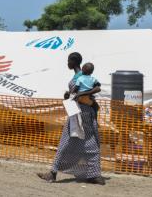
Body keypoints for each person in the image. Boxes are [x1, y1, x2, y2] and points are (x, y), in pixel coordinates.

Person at [37, 52, 105, 185]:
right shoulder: (87, 77)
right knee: (91, 142)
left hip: (78, 112)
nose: (67, 63)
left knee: (66, 142)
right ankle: (95, 175)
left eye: (68, 61)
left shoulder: (79, 77)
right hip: (89, 112)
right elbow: (80, 94)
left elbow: (80, 95)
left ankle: (53, 173)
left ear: (73, 62)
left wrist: (73, 95)